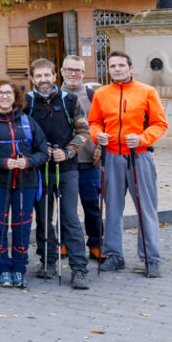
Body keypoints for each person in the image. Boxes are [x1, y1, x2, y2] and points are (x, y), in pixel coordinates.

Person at [88, 50, 168, 277]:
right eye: (113, 66)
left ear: (130, 68)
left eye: (121, 65)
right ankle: (114, 254)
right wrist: (97, 135)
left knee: (146, 209)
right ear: (109, 69)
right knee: (112, 208)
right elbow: (94, 121)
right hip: (112, 156)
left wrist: (142, 138)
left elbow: (160, 123)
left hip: (140, 156)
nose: (117, 69)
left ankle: (150, 258)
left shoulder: (147, 92)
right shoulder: (101, 94)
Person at [0, 79, 49, 288]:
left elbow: (43, 151)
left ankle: (19, 268)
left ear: (15, 97)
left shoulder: (27, 121)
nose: (4, 96)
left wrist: (28, 161)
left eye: (8, 93)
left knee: (22, 227)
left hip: (27, 181)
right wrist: (2, 163)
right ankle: (3, 268)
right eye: (0, 93)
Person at [26, 58, 92, 289]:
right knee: (44, 216)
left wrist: (69, 151)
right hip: (40, 168)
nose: (44, 80)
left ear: (55, 76)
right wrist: (39, 152)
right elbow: (21, 133)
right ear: (32, 78)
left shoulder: (70, 100)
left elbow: (83, 130)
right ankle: (48, 261)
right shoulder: (27, 102)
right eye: (39, 76)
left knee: (70, 217)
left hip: (67, 168)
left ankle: (78, 268)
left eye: (47, 75)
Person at [60, 54, 103, 260]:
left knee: (92, 205)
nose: (73, 74)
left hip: (89, 161)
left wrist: (101, 147)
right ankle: (66, 242)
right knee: (65, 207)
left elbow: (104, 125)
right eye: (69, 69)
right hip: (64, 163)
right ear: (62, 72)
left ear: (84, 73)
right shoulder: (54, 95)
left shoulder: (94, 96)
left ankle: (96, 243)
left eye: (77, 70)